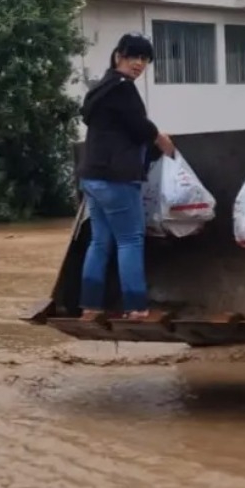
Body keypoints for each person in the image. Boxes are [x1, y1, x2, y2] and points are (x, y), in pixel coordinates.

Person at [78, 32, 175, 321]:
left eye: (145, 59)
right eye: (134, 57)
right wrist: (161, 139)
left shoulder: (99, 88)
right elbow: (139, 126)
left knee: (100, 242)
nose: (139, 64)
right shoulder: (123, 89)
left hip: (92, 177)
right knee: (130, 239)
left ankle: (90, 305)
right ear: (119, 55)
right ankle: (136, 307)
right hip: (117, 178)